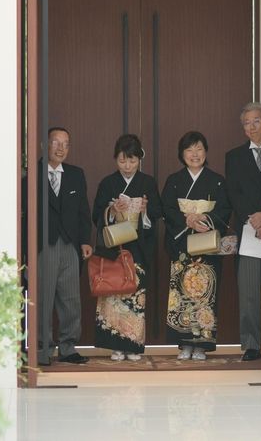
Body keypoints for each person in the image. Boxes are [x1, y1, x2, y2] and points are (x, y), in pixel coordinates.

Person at [161, 131, 231, 360]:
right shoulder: (174, 180)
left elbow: (225, 209)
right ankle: (184, 344)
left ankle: (202, 344)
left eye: (199, 149)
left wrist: (205, 218)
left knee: (205, 295)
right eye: (189, 150)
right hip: (182, 244)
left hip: (206, 245)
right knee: (182, 294)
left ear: (206, 152)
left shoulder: (217, 180)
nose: (195, 154)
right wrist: (186, 220)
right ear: (182, 154)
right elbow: (166, 209)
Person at [92, 134, 162, 361]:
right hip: (114, 247)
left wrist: (145, 210)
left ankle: (132, 345)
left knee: (134, 295)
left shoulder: (148, 182)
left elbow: (158, 212)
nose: (128, 166)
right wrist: (112, 210)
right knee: (114, 295)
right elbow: (96, 215)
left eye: (132, 161)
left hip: (139, 247)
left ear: (139, 159)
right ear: (116, 159)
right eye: (123, 161)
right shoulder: (107, 183)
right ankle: (115, 346)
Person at [37, 127, 92, 366]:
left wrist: (85, 240)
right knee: (43, 298)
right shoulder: (31, 174)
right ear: (44, 145)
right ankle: (43, 349)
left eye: (66, 144)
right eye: (56, 142)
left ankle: (68, 347)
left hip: (70, 244)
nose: (61, 148)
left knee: (71, 299)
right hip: (43, 245)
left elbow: (83, 211)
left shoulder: (76, 174)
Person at [225, 102, 261, 361]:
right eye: (247, 123)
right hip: (248, 230)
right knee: (249, 291)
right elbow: (233, 193)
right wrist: (255, 219)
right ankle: (252, 344)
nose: (252, 127)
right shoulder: (234, 157)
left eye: (257, 121)